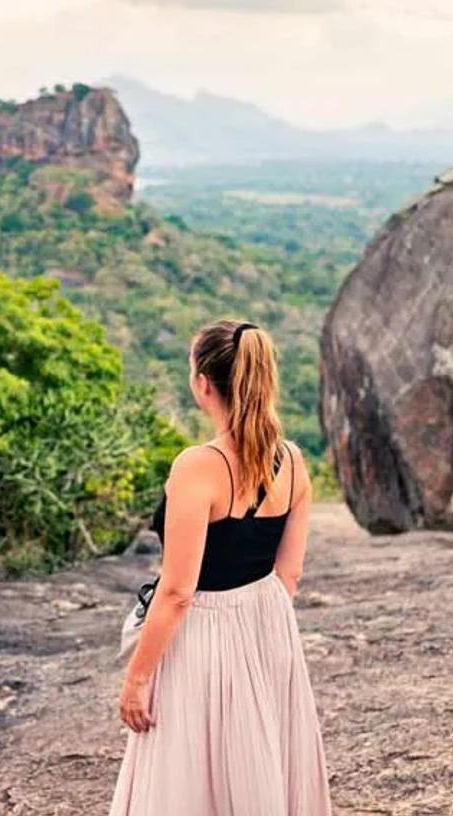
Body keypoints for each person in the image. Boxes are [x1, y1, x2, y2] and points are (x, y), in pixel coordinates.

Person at [108, 319, 333, 816]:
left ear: (203, 383)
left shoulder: (197, 466)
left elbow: (177, 590)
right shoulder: (293, 461)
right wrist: (254, 625)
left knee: (191, 779)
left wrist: (136, 680)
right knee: (256, 766)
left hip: (202, 632)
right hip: (268, 624)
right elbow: (288, 573)